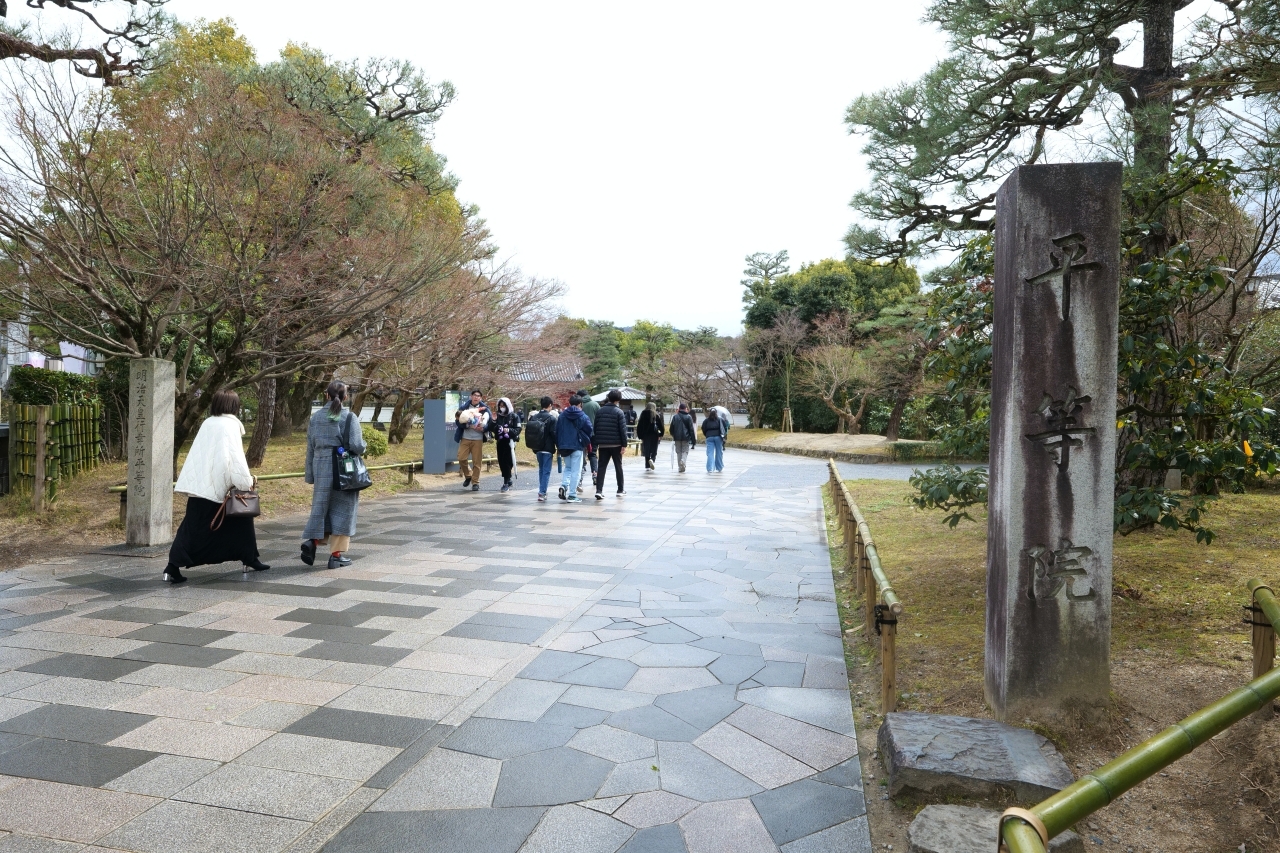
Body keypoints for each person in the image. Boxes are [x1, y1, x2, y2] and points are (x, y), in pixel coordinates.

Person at [163, 390, 267, 584]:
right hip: (216, 488)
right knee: (241, 521)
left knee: (193, 527)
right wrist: (247, 482)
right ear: (234, 406)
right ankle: (249, 559)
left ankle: (172, 568)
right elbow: (235, 460)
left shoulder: (208, 423)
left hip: (199, 485)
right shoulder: (231, 425)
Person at [301, 380, 367, 569]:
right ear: (346, 396)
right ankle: (336, 556)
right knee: (344, 510)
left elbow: (310, 448)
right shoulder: (349, 417)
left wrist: (310, 475)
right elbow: (356, 445)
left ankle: (312, 541)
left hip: (321, 466)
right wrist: (364, 446)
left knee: (322, 507)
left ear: (326, 395)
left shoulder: (315, 418)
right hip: (343, 467)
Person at [592, 389, 629, 500]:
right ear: (618, 399)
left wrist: (597, 442)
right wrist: (624, 444)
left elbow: (596, 427)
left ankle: (599, 490)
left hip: (603, 444)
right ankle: (620, 490)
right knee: (618, 466)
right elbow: (623, 430)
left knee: (602, 467)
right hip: (616, 444)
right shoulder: (619, 412)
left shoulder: (600, 411)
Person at [556, 394, 593, 503]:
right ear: (580, 404)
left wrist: (559, 445)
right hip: (577, 445)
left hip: (564, 446)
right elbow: (589, 429)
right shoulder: (583, 415)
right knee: (576, 471)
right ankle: (572, 495)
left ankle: (564, 485)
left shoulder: (562, 415)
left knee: (568, 468)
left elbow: (557, 431)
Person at [454, 389, 490, 492]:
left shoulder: (484, 409)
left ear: (481, 398)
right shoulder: (464, 407)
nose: (476, 397)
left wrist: (483, 428)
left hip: (478, 438)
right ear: (471, 396)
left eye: (478, 396)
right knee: (461, 458)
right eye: (474, 395)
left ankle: (475, 482)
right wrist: (466, 425)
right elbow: (457, 421)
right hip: (465, 437)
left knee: (477, 462)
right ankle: (468, 475)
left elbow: (490, 422)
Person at [525, 396, 559, 501]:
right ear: (550, 405)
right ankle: (542, 492)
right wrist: (558, 445)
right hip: (548, 448)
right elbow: (554, 434)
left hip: (537, 447)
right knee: (546, 471)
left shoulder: (534, 417)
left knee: (541, 470)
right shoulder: (551, 418)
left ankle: (542, 490)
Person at [487, 397, 522, 492]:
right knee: (501, 461)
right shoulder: (498, 416)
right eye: (500, 406)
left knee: (508, 461)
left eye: (503, 406)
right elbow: (491, 428)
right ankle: (508, 478)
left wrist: (508, 430)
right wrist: (493, 421)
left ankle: (506, 482)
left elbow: (518, 429)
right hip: (500, 442)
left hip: (510, 442)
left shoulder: (514, 416)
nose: (502, 407)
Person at [578, 389, 600, 491]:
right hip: (594, 434)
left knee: (581, 455)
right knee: (593, 454)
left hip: (581, 434)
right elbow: (599, 419)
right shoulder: (595, 405)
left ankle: (580, 480)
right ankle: (595, 473)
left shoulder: (578, 405)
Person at [669, 402, 696, 473]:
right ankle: (683, 461)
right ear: (685, 409)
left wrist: (673, 435)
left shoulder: (675, 417)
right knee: (685, 451)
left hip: (677, 437)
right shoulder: (689, 417)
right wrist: (693, 440)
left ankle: (680, 468)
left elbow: (671, 429)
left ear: (679, 409)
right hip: (686, 437)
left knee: (678, 452)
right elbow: (691, 430)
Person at [636, 402, 664, 472]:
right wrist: (660, 434)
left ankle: (647, 466)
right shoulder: (656, 415)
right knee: (654, 449)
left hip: (646, 435)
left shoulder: (643, 413)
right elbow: (660, 426)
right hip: (654, 435)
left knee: (647, 450)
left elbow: (639, 426)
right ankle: (652, 459)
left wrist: (640, 435)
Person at [701, 407, 726, 473]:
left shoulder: (706, 420)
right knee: (719, 452)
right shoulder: (720, 419)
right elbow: (724, 428)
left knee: (710, 453)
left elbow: (703, 428)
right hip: (718, 437)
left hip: (709, 437)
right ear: (716, 413)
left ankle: (710, 468)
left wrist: (706, 435)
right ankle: (719, 467)